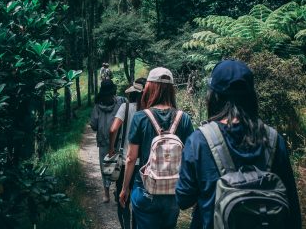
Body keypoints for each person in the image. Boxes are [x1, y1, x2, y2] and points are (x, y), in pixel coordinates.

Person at [176, 59, 302, 229]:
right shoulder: (273, 139)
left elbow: (183, 199)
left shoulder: (200, 140)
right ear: (251, 96)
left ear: (214, 97)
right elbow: (292, 204)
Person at [119, 67, 194, 229]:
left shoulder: (140, 117)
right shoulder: (184, 118)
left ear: (150, 87)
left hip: (146, 189)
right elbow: (190, 157)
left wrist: (125, 188)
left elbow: (131, 158)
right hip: (173, 191)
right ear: (171, 89)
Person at [109, 78, 147, 229]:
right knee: (139, 200)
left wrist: (111, 148)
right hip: (144, 164)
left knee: (122, 197)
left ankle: (125, 226)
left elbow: (113, 129)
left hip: (126, 161)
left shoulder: (125, 108)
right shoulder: (148, 110)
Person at [90, 79, 126, 203]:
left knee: (105, 166)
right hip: (119, 140)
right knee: (119, 166)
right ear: (113, 91)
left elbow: (93, 125)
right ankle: (115, 190)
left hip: (105, 141)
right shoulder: (121, 101)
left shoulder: (98, 106)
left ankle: (107, 194)